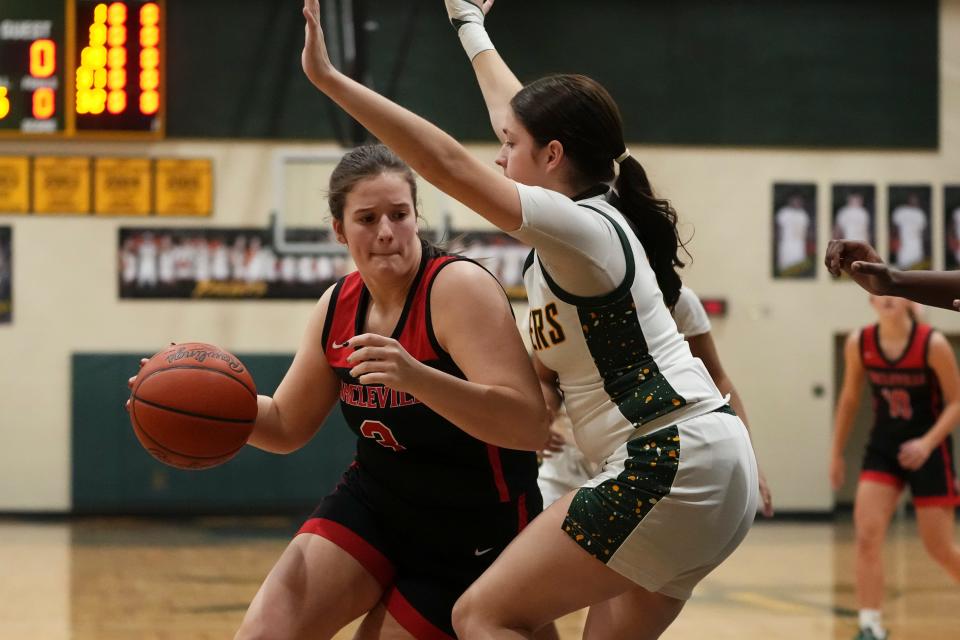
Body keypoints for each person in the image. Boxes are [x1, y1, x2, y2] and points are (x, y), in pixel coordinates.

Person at [300, 1, 759, 637]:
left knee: (482, 614)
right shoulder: (584, 223)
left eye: (509, 146)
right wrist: (470, 26)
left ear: (552, 157)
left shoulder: (580, 228)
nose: (498, 156)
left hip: (667, 459)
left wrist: (332, 82)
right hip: (708, 462)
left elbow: (449, 165)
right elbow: (516, 112)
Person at [131, 144, 549, 640]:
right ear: (339, 230)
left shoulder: (457, 289)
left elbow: (528, 425)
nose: (387, 232)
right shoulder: (337, 305)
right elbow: (286, 424)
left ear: (417, 217)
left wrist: (416, 376)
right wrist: (196, 404)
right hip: (377, 503)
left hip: (473, 526)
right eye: (367, 218)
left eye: (399, 214)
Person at [538, 285, 774, 518]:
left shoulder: (677, 300)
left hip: (644, 455)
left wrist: (749, 457)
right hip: (570, 454)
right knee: (540, 543)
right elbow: (543, 377)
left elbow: (717, 377)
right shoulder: (564, 297)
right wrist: (540, 418)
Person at [830, 295, 960, 640]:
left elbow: (956, 402)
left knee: (939, 548)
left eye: (894, 291)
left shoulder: (932, 344)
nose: (887, 298)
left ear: (908, 301)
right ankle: (870, 625)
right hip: (884, 449)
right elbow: (849, 399)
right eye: (879, 292)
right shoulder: (861, 343)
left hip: (929, 448)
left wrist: (926, 444)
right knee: (867, 535)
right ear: (871, 301)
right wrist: (836, 453)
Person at [825, 239, 960, 311]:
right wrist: (892, 282)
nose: (888, 301)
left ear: (909, 305)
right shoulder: (859, 341)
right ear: (871, 302)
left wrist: (893, 282)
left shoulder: (931, 342)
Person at [890, 193, 928, 271]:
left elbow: (923, 230)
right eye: (912, 199)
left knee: (916, 265)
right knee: (902, 265)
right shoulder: (901, 211)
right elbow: (894, 227)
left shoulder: (920, 213)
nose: (914, 201)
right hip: (903, 241)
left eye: (915, 200)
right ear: (908, 200)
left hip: (916, 242)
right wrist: (895, 239)